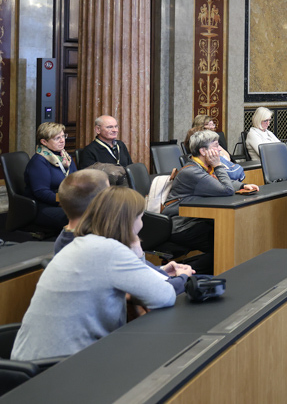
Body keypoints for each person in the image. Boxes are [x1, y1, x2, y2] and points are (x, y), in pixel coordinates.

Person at [12, 187, 180, 361]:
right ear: (129, 221)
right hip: (59, 366)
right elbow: (164, 296)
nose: (142, 224)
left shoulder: (82, 244)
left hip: (35, 359)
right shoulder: (109, 250)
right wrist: (139, 255)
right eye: (141, 217)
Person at [53, 169, 193, 289]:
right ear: (101, 202)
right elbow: (150, 290)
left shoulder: (68, 238)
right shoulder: (99, 247)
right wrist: (182, 278)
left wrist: (160, 270)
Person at [163, 129, 260, 272]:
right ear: (203, 151)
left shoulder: (201, 167)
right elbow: (226, 189)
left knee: (232, 236)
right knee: (226, 243)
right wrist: (218, 165)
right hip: (181, 225)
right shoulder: (192, 172)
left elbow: (216, 183)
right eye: (216, 145)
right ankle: (184, 272)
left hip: (195, 220)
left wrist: (242, 186)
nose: (220, 149)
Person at [24, 122, 77, 228]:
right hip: (44, 206)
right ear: (44, 142)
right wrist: (65, 200)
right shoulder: (39, 161)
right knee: (80, 216)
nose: (62, 140)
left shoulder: (66, 158)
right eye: (57, 138)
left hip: (68, 200)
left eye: (63, 136)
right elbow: (42, 193)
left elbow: (77, 179)